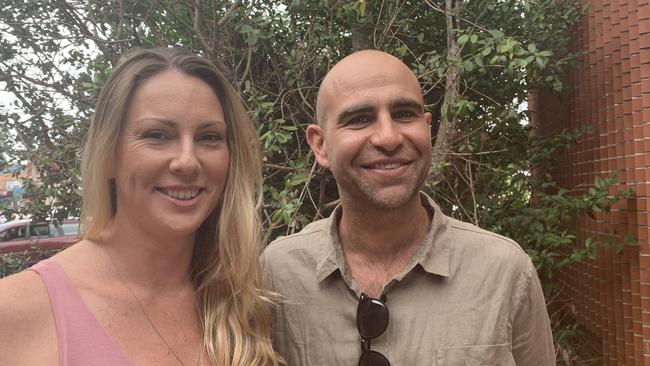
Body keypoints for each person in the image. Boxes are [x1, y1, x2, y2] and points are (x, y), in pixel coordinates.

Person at [263, 50, 555, 365]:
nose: (388, 137)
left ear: (427, 127)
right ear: (320, 145)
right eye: (360, 119)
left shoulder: (503, 272)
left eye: (404, 114)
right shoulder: (277, 274)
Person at [0, 48, 281, 366]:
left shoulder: (247, 301)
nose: (187, 161)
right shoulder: (15, 313)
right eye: (157, 135)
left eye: (209, 137)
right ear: (108, 155)